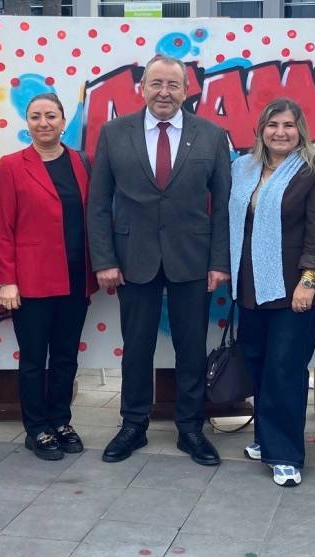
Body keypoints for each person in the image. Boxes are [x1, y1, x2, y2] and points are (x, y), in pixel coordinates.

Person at [87, 55, 231, 466]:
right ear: (142, 88)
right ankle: (133, 424)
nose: (164, 92)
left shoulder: (211, 135)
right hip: (133, 259)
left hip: (193, 260)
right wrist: (104, 260)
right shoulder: (114, 133)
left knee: (191, 348)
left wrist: (219, 262)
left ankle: (191, 428)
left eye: (173, 85)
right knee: (137, 347)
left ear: (186, 90)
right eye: (156, 83)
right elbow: (99, 203)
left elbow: (223, 205)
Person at [230, 98, 315, 487]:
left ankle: (286, 454)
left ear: (300, 130)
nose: (280, 132)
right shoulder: (243, 168)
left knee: (285, 369)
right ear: (261, 130)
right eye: (273, 125)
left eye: (289, 125)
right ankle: (265, 437)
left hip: (294, 287)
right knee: (257, 362)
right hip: (250, 285)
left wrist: (308, 282)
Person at [0, 93, 98, 460]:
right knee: (34, 359)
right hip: (31, 282)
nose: (43, 123)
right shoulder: (11, 166)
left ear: (63, 122)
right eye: (36, 116)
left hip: (75, 278)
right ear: (27, 123)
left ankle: (61, 421)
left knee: (66, 357)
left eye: (50, 116)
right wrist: (7, 280)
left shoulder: (81, 162)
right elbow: (2, 228)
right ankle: (37, 427)